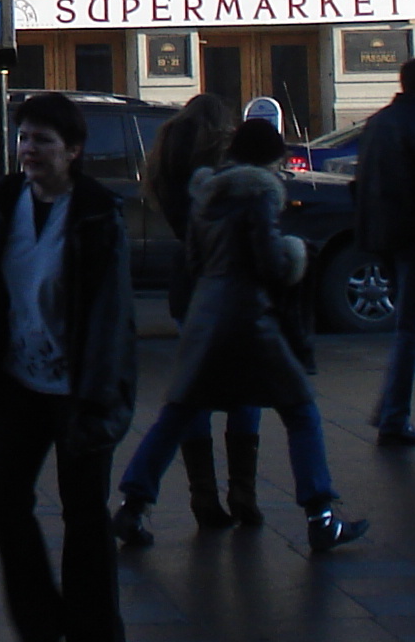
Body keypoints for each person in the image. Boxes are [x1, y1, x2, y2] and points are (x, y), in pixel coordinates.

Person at [0, 93, 136, 642]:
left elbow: (111, 313)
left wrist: (100, 393)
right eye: (24, 138)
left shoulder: (99, 214)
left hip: (80, 388)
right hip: (19, 381)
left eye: (43, 141)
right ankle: (39, 631)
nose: (29, 151)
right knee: (6, 502)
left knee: (85, 518)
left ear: (72, 151)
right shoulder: (1, 203)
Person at [113, 118, 366, 555]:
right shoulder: (260, 193)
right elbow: (270, 262)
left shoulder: (206, 195)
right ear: (275, 159)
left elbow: (193, 259)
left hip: (204, 319)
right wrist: (295, 252)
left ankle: (132, 505)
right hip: (249, 322)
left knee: (176, 415)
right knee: (301, 411)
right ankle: (320, 515)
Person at [111, 91, 259, 537]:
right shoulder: (221, 172)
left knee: (193, 395)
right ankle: (242, 492)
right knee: (244, 390)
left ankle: (203, 495)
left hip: (187, 285)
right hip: (228, 286)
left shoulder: (167, 167)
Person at [351, 56, 415, 446]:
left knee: (405, 323)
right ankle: (395, 415)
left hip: (381, 233)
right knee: (412, 326)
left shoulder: (379, 122)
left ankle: (390, 410)